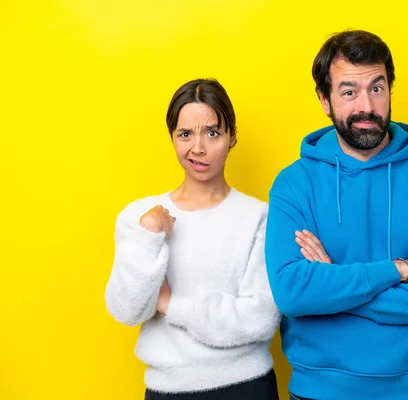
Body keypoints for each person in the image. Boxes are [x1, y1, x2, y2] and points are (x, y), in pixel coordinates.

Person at [265, 30, 408, 400]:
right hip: (317, 393)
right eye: (349, 92)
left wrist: (333, 285)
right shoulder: (294, 184)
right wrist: (400, 270)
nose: (366, 105)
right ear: (325, 100)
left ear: (390, 90)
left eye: (376, 89)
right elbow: (293, 293)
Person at [105, 78, 281, 400]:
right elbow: (127, 310)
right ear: (172, 138)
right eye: (185, 134)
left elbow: (260, 318)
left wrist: (171, 305)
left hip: (247, 387)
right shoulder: (140, 218)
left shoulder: (260, 217)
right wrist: (148, 236)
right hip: (166, 391)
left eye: (212, 133)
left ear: (232, 137)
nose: (197, 148)